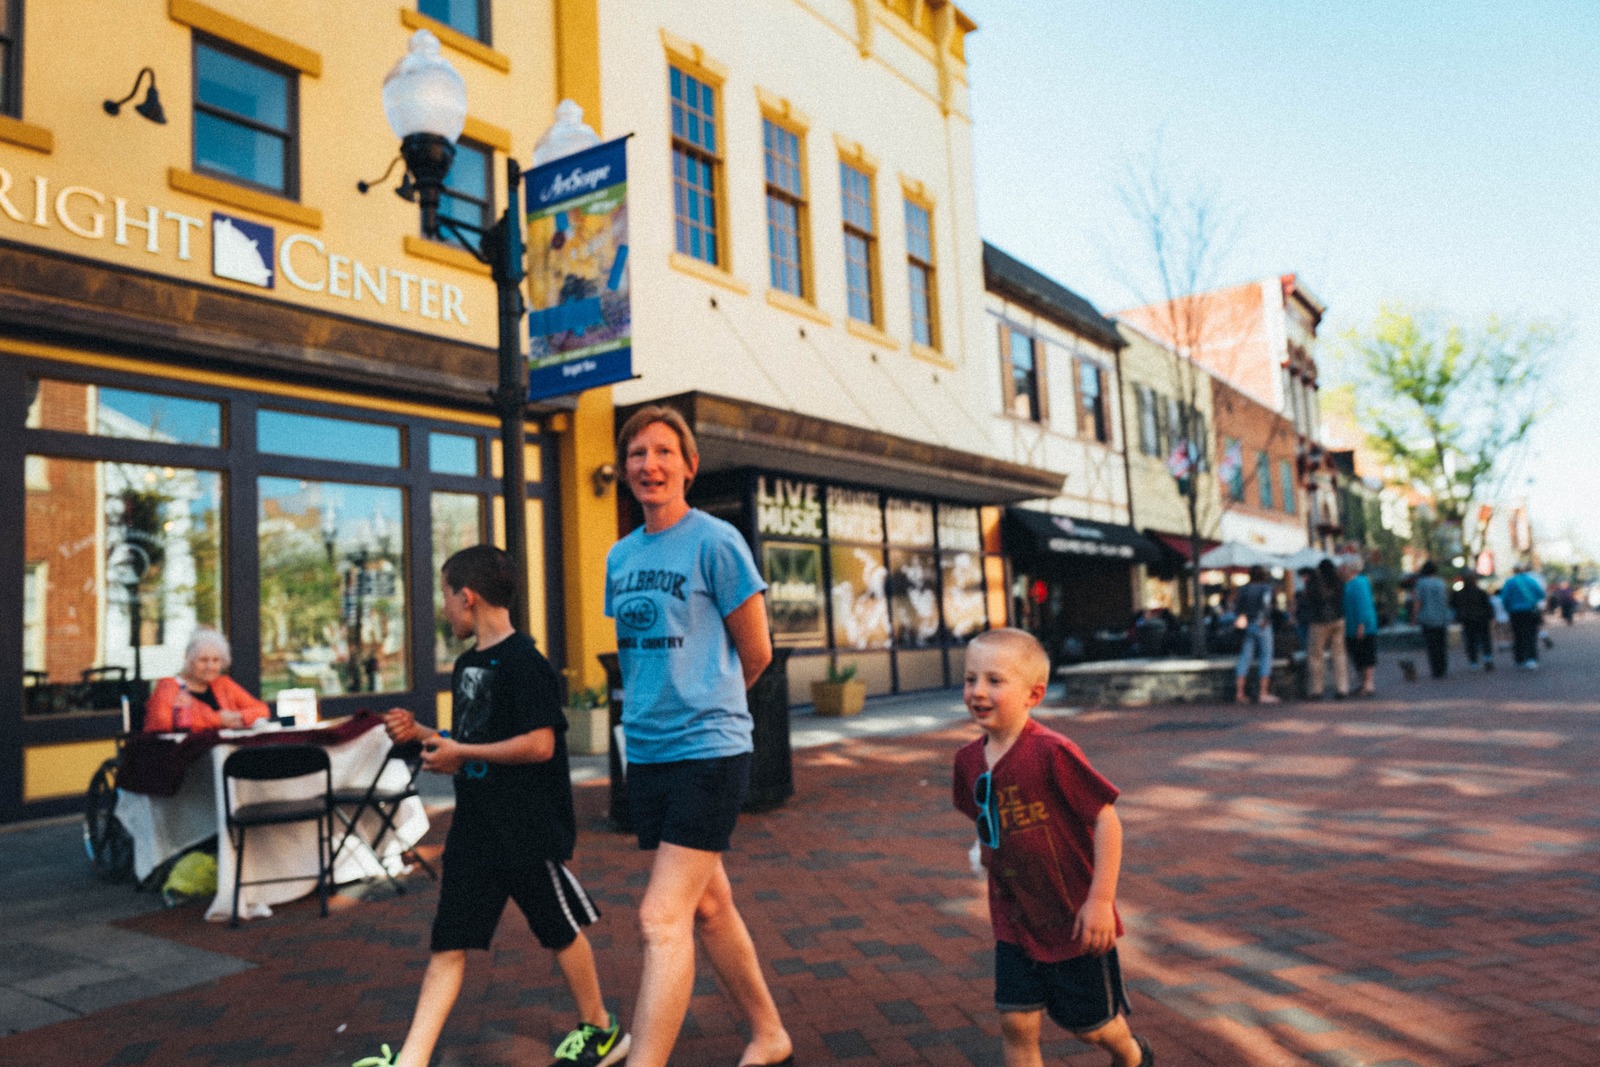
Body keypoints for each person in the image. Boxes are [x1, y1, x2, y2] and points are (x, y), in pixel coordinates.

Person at [357, 546, 627, 1067]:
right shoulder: (467, 666)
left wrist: (462, 751)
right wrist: (425, 737)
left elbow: (540, 744)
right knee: (448, 943)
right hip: (476, 831)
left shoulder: (526, 663)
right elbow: (475, 744)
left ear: (468, 596)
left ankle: (601, 1028)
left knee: (559, 931)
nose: (444, 609)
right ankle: (411, 1060)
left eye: (445, 596)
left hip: (527, 831)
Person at [604, 406, 792, 1067]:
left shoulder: (716, 540)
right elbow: (638, 653)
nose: (648, 464)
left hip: (709, 747)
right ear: (625, 469)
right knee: (709, 905)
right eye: (636, 454)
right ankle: (770, 1033)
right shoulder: (619, 554)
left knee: (661, 916)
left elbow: (757, 650)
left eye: (663, 452)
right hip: (648, 750)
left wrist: (710, 704)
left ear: (689, 465)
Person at [952, 629, 1153, 1067]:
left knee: (1091, 1026)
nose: (978, 692)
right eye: (971, 679)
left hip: (1073, 917)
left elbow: (1106, 820)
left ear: (1034, 694)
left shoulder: (1052, 753)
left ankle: (1132, 1054)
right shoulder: (967, 761)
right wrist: (986, 850)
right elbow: (981, 814)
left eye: (994, 681)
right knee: (1016, 1022)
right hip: (1014, 915)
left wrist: (1100, 900)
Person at [144, 628, 270, 732]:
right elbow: (162, 722)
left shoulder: (223, 683)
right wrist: (219, 720)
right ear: (189, 661)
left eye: (216, 660)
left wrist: (239, 717)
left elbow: (262, 710)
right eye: (203, 660)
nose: (210, 666)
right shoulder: (169, 686)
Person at [1232, 565, 1279, 704]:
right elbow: (1267, 605)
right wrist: (1264, 619)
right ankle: (1263, 693)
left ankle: (1239, 693)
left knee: (1245, 657)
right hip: (1263, 625)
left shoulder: (1244, 589)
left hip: (1249, 625)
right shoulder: (1266, 588)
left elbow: (1238, 609)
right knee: (1266, 656)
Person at [1304, 559, 1349, 700]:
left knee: (1316, 656)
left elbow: (1309, 598)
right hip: (1338, 619)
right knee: (1339, 655)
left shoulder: (1314, 582)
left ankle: (1317, 690)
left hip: (1319, 622)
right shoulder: (1338, 581)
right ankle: (1342, 688)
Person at [1341, 557, 1379, 696]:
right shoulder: (1348, 584)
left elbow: (1363, 604)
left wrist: (1361, 625)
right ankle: (1363, 682)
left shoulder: (1360, 582)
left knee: (1366, 654)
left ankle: (1368, 683)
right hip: (1351, 626)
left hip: (1363, 626)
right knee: (1357, 655)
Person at [1499, 561, 1547, 669]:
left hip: (1515, 612)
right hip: (1530, 611)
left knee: (1518, 635)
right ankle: (1531, 659)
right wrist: (1532, 601)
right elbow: (1541, 594)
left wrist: (1509, 607)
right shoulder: (1531, 580)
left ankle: (1520, 659)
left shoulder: (1510, 582)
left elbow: (1504, 598)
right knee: (1531, 635)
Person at [1412, 561, 1451, 679]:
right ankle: (1443, 668)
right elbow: (1446, 599)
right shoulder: (1441, 583)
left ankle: (1436, 669)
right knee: (1441, 644)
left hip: (1427, 618)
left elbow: (1418, 602)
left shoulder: (1421, 583)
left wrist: (1414, 617)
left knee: (1431, 645)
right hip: (1441, 618)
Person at [1450, 570, 1495, 671]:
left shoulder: (1459, 594)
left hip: (1467, 620)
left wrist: (1458, 616)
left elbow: (1453, 605)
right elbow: (1488, 606)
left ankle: (1473, 662)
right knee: (1485, 639)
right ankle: (1487, 658)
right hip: (1481, 619)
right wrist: (1491, 616)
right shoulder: (1481, 592)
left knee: (1470, 641)